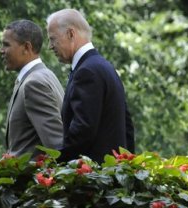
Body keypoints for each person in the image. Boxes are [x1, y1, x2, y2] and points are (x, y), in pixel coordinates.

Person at [46, 9, 135, 163]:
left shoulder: (87, 71)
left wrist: (56, 163)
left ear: (71, 34)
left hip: (91, 177)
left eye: (53, 39)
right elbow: (127, 126)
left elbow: (82, 131)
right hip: (110, 174)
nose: (50, 46)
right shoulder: (104, 66)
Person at [0, 20, 64, 157]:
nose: (1, 51)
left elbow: (56, 146)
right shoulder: (46, 75)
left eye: (6, 45)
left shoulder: (34, 83)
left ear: (26, 47)